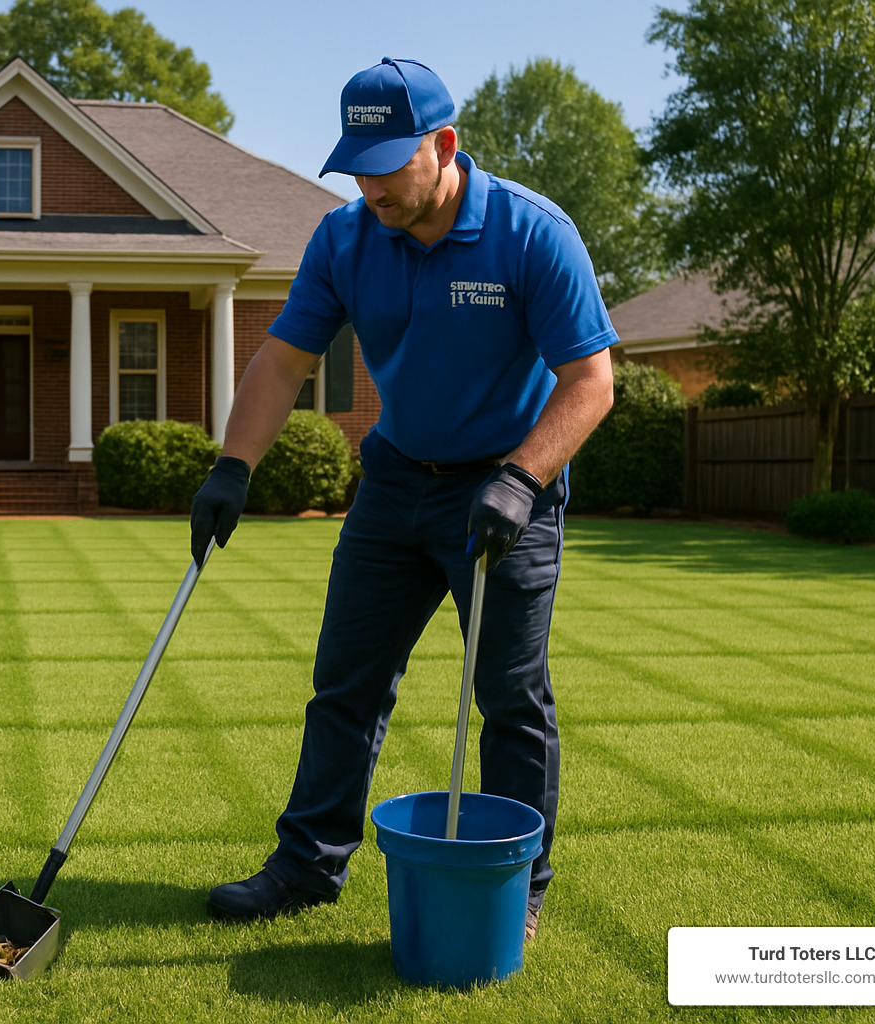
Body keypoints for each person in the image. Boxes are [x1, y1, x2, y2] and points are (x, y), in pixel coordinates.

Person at [189, 57, 616, 942]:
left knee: (509, 695)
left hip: (508, 487)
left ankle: (515, 886)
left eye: (388, 162)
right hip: (393, 485)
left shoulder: (532, 234)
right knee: (345, 682)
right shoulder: (345, 239)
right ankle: (307, 866)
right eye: (358, 162)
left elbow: (591, 382)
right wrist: (233, 466)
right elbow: (282, 359)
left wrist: (522, 477)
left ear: (445, 144)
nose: (370, 184)